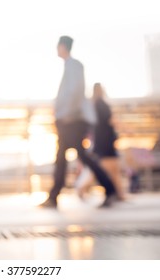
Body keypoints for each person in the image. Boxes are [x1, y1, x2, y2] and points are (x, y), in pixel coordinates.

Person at [40, 36, 117, 209]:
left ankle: (110, 190)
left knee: (78, 157)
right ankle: (54, 196)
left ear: (62, 46)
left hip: (72, 121)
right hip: (70, 120)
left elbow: (75, 92)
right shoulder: (70, 65)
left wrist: (66, 114)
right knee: (63, 157)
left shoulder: (74, 65)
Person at [76, 83, 125, 201]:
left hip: (102, 144)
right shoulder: (101, 105)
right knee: (103, 170)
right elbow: (108, 122)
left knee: (109, 170)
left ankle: (118, 194)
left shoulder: (94, 105)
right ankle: (82, 189)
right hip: (106, 144)